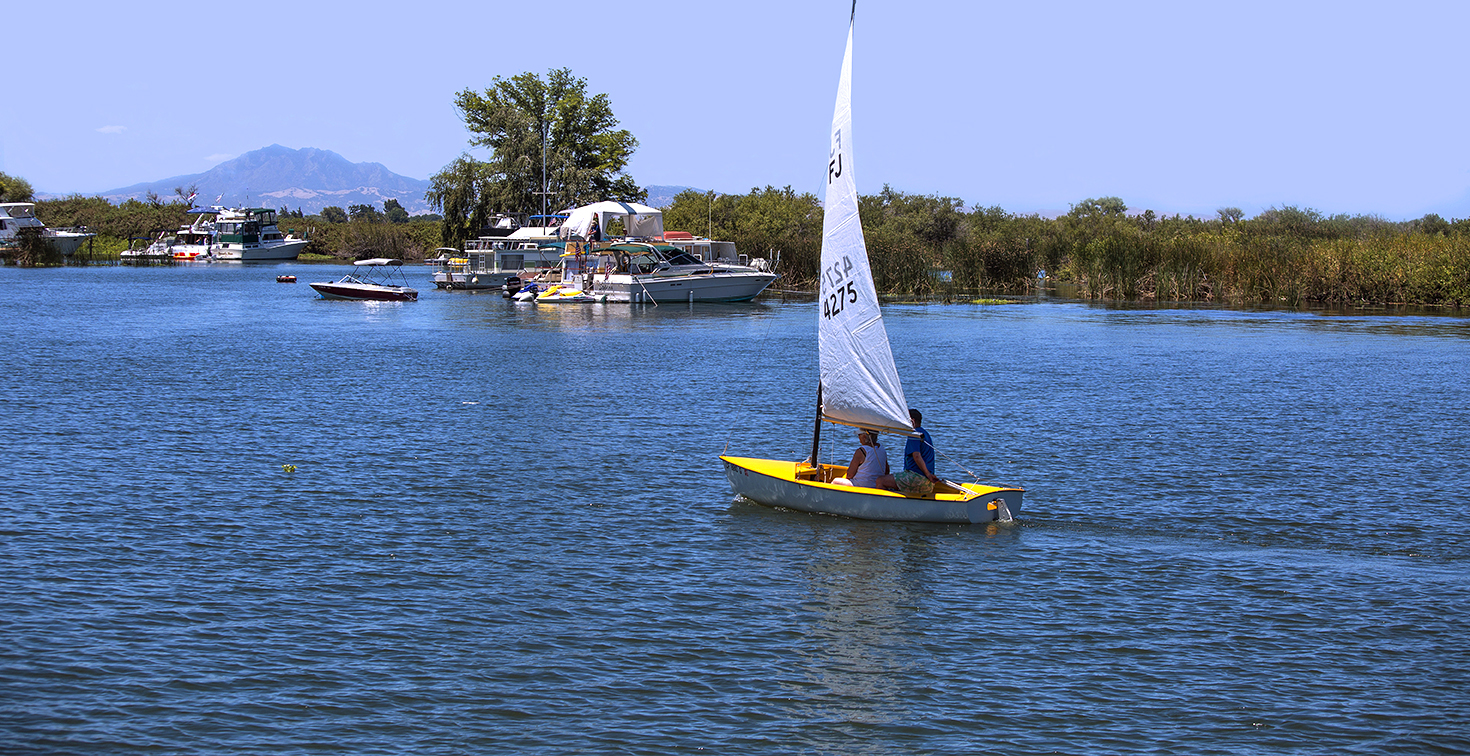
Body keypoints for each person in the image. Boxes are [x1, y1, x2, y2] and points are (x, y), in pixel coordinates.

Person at [891, 408, 939, 497]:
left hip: (918, 478)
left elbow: (916, 456)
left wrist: (928, 475)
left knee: (880, 481)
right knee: (893, 481)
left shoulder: (914, 434)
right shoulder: (925, 433)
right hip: (928, 481)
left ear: (912, 421)